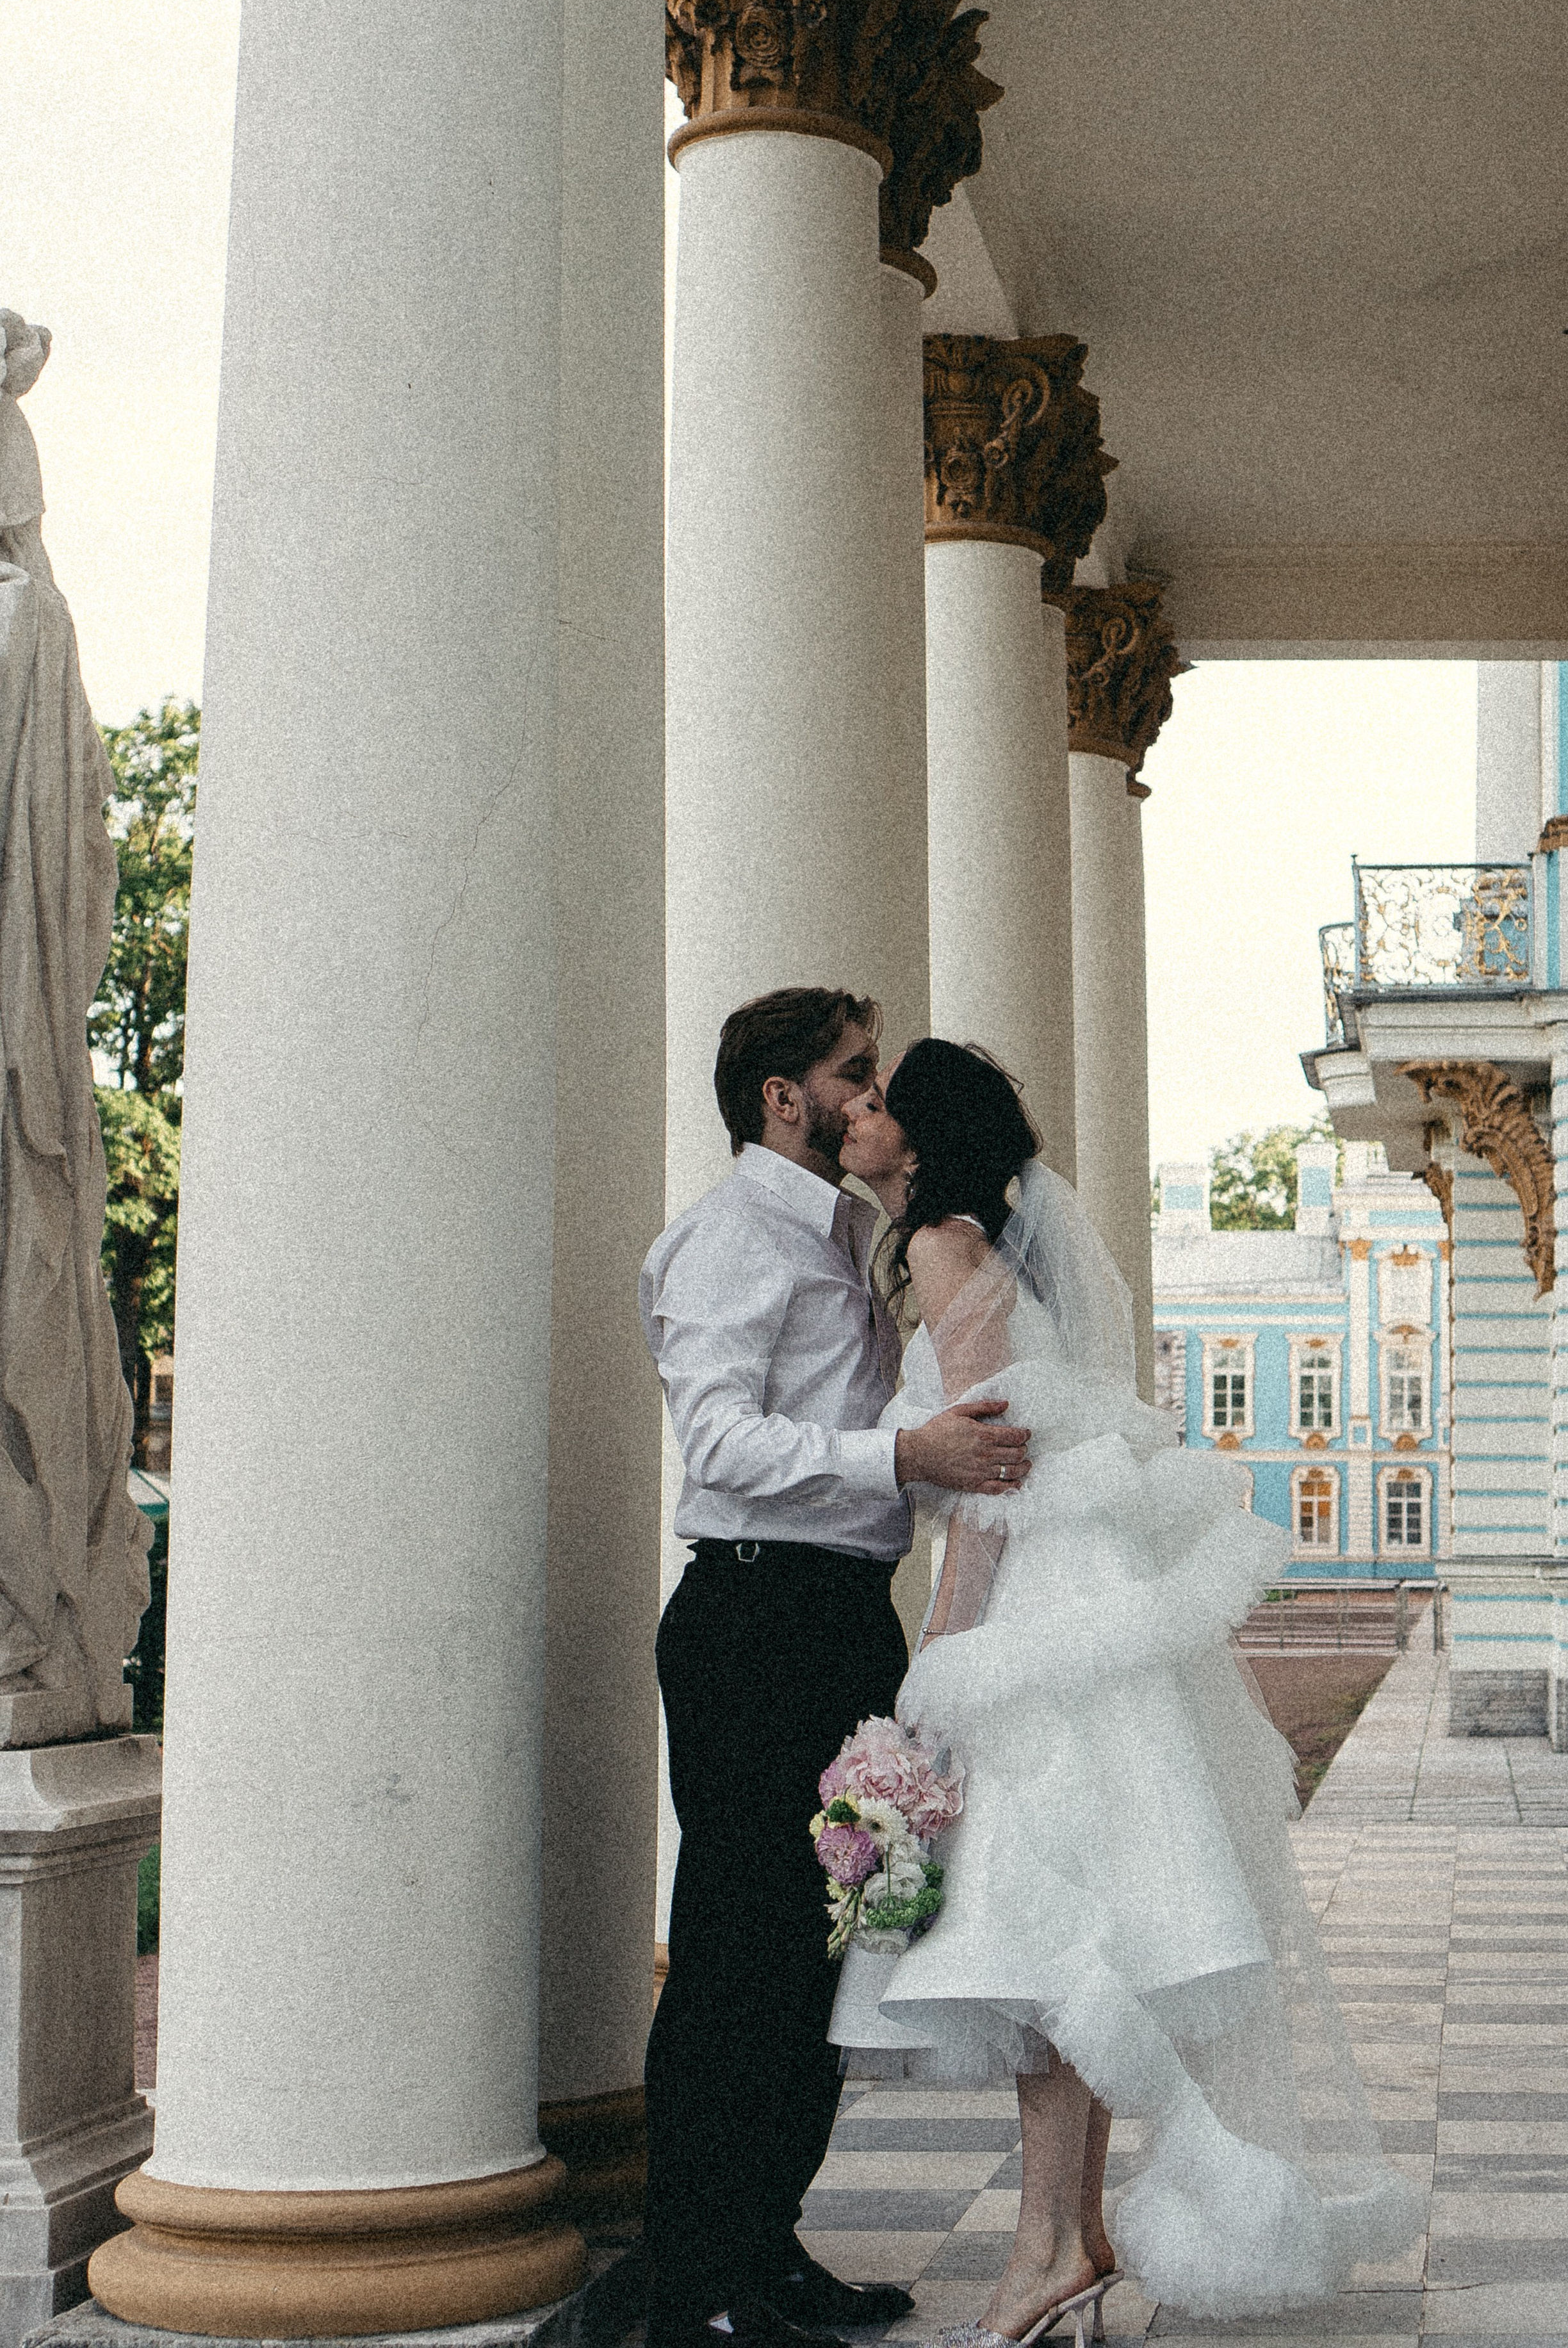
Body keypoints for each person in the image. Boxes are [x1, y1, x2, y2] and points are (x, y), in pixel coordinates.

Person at [831, 1039, 1423, 2339]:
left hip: (1041, 1616)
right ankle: (1068, 2240)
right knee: (1074, 1929)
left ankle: (1047, 2252)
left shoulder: (939, 1248)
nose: (853, 1118)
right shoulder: (972, 1247)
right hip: (1083, 1606)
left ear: (921, 1140)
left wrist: (938, 1675)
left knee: (1046, 1932)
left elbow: (987, 1492)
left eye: (875, 1105)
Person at [637, 990, 1034, 2348]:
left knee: (819, 1953)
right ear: (776, 1098)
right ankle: (692, 2275)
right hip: (750, 1626)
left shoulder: (859, 1235)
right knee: (738, 1956)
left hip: (841, 1621)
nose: (873, 1099)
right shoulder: (724, 1243)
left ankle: (768, 2246)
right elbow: (722, 1448)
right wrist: (902, 1459)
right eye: (850, 1076)